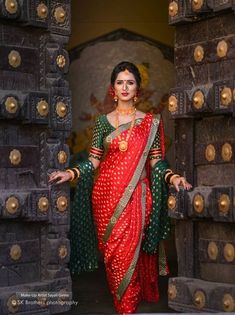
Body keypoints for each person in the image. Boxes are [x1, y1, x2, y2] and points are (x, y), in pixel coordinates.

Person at [49, 61, 192, 314]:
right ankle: (123, 302)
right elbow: (93, 160)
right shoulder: (103, 123)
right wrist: (69, 172)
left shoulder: (151, 123)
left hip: (137, 196)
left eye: (130, 82)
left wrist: (174, 178)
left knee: (130, 252)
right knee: (114, 257)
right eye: (119, 82)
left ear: (137, 88)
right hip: (105, 197)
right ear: (112, 88)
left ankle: (127, 306)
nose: (125, 87)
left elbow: (157, 161)